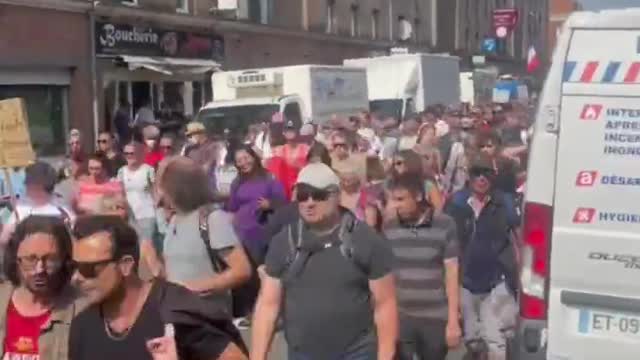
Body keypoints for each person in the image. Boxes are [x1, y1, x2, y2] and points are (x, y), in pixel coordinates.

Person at [251, 163, 398, 360]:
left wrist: (386, 356)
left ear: (336, 195)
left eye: (318, 194)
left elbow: (385, 304)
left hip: (356, 353)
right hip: (302, 353)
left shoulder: (366, 239)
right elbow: (268, 305)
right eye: (303, 194)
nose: (309, 202)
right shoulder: (284, 241)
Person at [68, 215, 248, 360]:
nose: (76, 277)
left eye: (88, 269)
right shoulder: (82, 326)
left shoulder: (178, 313)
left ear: (125, 265)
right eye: (73, 267)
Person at [444, 155, 520, 360]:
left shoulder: (503, 202)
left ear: (492, 177)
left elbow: (516, 235)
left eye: (486, 174)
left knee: (495, 339)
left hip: (496, 280)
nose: (481, 179)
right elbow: (445, 241)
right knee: (472, 338)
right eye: (476, 173)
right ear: (469, 176)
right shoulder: (456, 203)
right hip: (465, 281)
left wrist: (521, 272)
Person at [158, 157, 251, 314]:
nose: (161, 194)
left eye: (164, 188)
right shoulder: (174, 220)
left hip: (208, 317)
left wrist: (203, 286)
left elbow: (242, 270)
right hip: (177, 315)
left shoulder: (212, 219)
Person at [384, 175, 461, 360]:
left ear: (418, 196)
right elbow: (386, 275)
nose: (395, 205)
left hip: (435, 317)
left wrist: (453, 321)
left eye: (400, 199)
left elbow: (452, 273)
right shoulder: (389, 227)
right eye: (392, 200)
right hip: (402, 318)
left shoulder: (444, 224)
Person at [0, 216, 84, 360]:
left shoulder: (80, 310)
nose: (40, 269)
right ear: (15, 258)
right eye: (30, 259)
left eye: (51, 259)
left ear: (65, 260)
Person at [1, 162, 75, 246]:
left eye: (27, 182)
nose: (25, 185)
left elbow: (4, 240)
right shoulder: (64, 208)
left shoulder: (21, 210)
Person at [117, 142, 156, 244]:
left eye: (132, 153)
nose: (129, 156)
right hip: (129, 216)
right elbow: (120, 193)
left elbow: (155, 192)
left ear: (139, 154)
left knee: (146, 246)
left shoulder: (148, 170)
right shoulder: (121, 171)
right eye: (126, 153)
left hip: (146, 214)